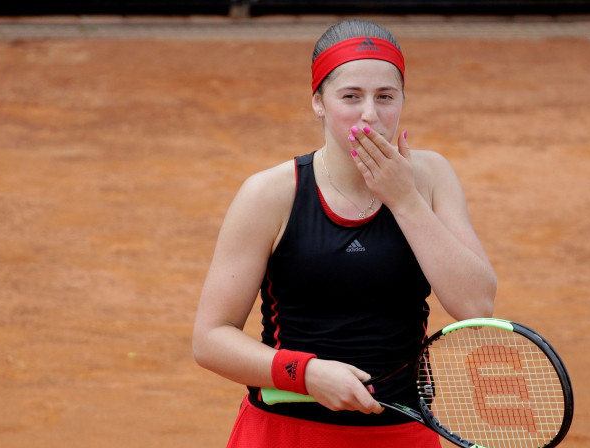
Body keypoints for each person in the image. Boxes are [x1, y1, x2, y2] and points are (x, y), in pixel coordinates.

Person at [192, 19, 497, 448]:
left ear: (403, 100)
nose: (370, 114)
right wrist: (307, 373)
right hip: (285, 433)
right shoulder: (269, 194)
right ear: (318, 102)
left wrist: (404, 200)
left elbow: (476, 305)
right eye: (350, 96)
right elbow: (210, 339)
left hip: (399, 432)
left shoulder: (431, 179)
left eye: (385, 97)